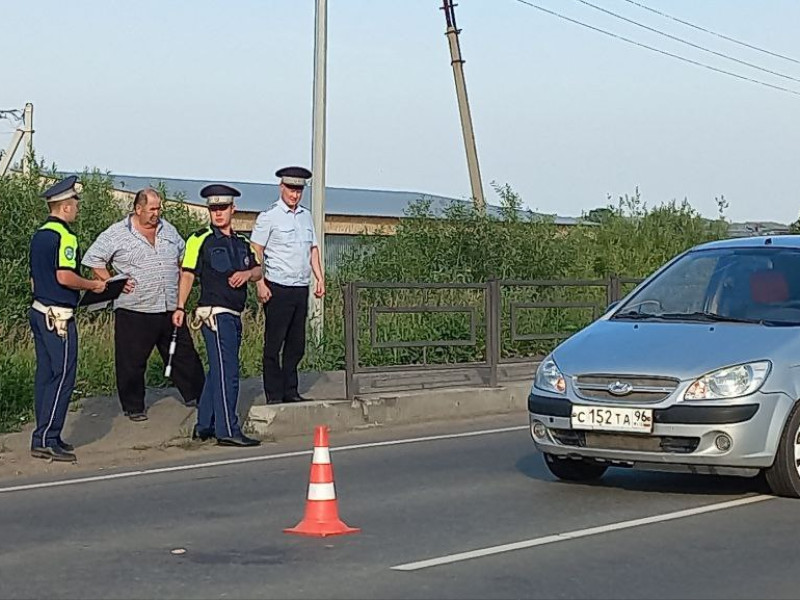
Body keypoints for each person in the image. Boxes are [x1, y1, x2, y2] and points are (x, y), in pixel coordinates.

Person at [82, 188, 205, 421]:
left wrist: (183, 288)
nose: (156, 213)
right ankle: (133, 406)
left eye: (159, 209)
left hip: (169, 306)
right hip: (135, 308)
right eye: (152, 209)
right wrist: (110, 281)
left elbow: (184, 257)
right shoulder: (117, 233)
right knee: (132, 361)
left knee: (184, 354)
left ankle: (199, 395)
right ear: (138, 209)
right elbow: (93, 258)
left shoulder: (168, 230)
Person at [173, 184, 262, 447]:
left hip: (234, 313)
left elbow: (257, 271)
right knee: (228, 372)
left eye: (222, 208)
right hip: (214, 313)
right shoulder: (199, 239)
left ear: (233, 209)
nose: (218, 213)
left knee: (218, 369)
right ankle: (227, 429)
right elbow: (187, 273)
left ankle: (205, 423)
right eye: (213, 209)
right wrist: (179, 307)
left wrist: (247, 275)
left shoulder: (242, 242)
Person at [29, 175, 107, 462]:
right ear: (64, 206)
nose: (77, 206)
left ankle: (43, 433)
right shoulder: (65, 236)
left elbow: (35, 280)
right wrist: (93, 285)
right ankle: (48, 437)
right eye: (75, 201)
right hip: (58, 317)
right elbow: (64, 275)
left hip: (39, 311)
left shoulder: (40, 234)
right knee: (63, 375)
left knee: (46, 375)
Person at [250, 166, 325, 404]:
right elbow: (256, 251)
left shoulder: (305, 216)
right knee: (274, 344)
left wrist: (320, 277)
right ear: (282, 187)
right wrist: (260, 283)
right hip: (277, 286)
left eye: (299, 190)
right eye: (291, 189)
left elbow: (312, 248)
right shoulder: (269, 216)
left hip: (299, 287)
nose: (295, 195)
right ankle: (274, 394)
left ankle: (290, 390)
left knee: (296, 344)